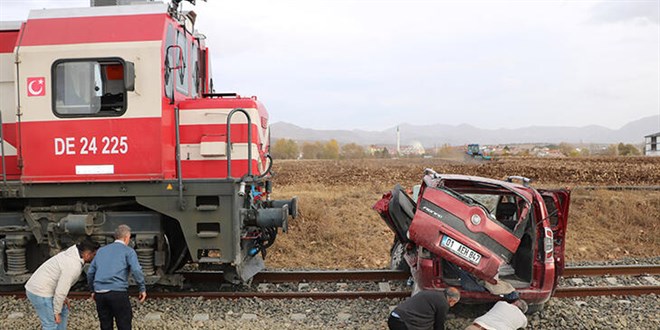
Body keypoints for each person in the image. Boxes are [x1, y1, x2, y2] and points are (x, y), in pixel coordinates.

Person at [25, 238, 99, 330]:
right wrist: (56, 312)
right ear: (87, 254)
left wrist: (61, 303)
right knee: (50, 325)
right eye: (94, 255)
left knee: (63, 310)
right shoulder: (73, 265)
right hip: (40, 292)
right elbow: (61, 290)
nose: (96, 257)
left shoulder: (72, 254)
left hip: (43, 287)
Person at [87, 225, 147, 330]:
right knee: (124, 324)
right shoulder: (128, 251)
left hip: (100, 293)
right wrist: (142, 288)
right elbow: (136, 270)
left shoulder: (101, 251)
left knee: (105, 325)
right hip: (117, 293)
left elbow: (90, 273)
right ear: (126, 237)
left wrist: (93, 290)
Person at [388, 287, 461, 330]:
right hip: (403, 323)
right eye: (454, 302)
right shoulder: (443, 303)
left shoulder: (433, 294)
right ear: (451, 300)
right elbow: (439, 324)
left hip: (394, 316)